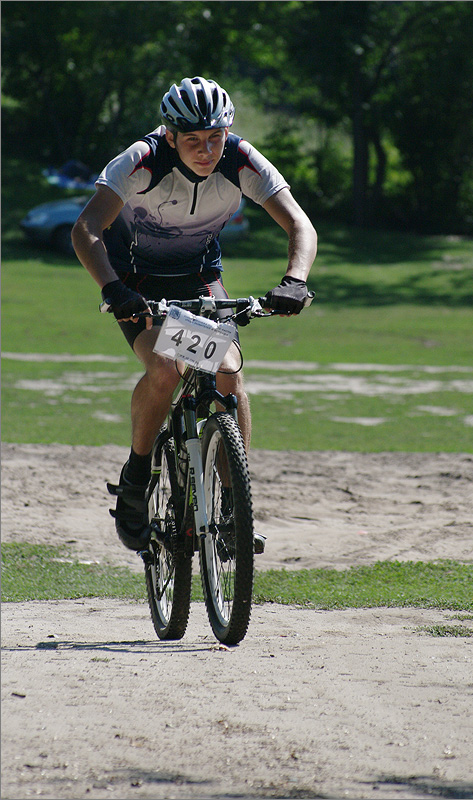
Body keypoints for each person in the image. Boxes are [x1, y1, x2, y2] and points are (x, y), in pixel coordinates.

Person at [72, 76, 317, 553]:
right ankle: (137, 477)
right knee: (165, 368)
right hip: (137, 286)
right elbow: (86, 228)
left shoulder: (239, 158)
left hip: (199, 280)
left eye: (215, 137)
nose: (207, 150)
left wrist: (296, 279)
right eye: (193, 140)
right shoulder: (142, 160)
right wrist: (112, 288)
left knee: (228, 374)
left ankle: (233, 506)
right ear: (170, 136)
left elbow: (299, 223)